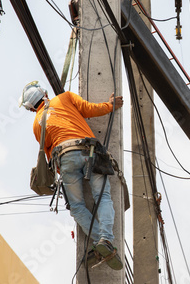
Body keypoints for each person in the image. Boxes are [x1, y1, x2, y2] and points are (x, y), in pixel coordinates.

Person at [19, 81, 124, 269]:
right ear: (44, 94)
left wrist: (66, 172)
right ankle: (105, 239)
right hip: (89, 150)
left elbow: (48, 153)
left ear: (30, 108)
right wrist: (110, 106)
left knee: (76, 206)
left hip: (64, 158)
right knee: (102, 196)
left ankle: (102, 241)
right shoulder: (64, 97)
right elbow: (89, 109)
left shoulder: (37, 123)